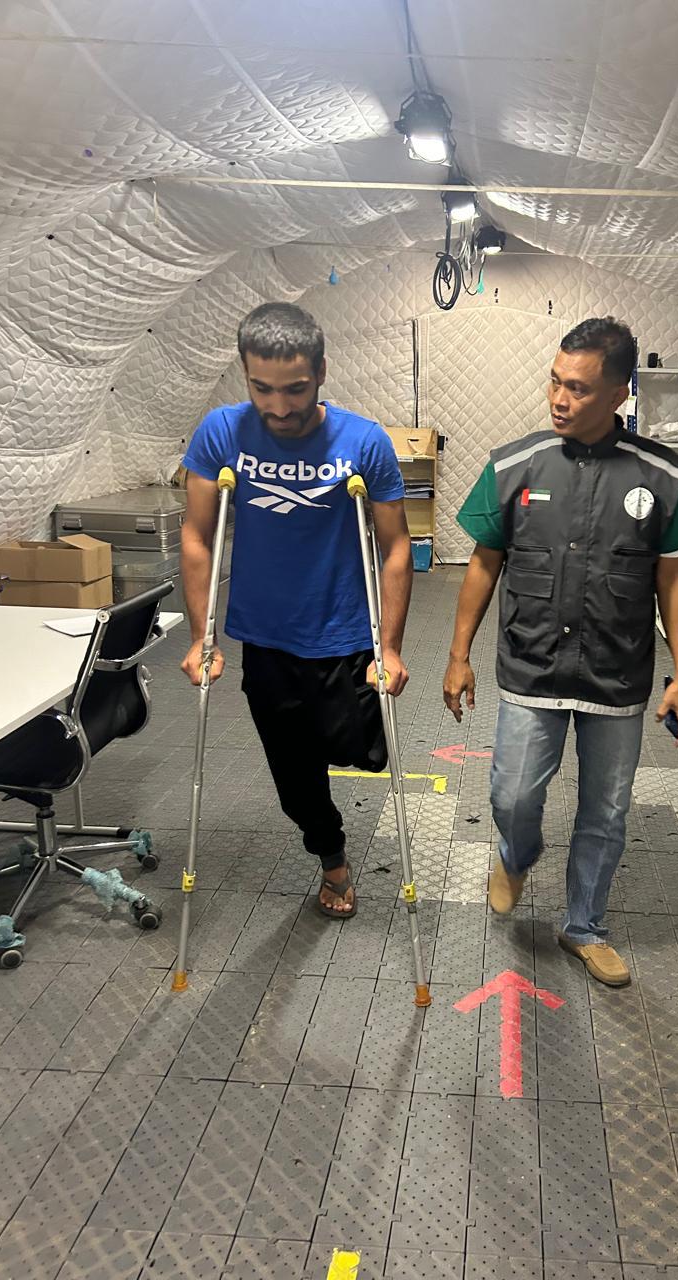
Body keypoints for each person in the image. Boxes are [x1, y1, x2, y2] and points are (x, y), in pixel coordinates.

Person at [443, 317, 678, 986]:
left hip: (617, 675)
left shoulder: (662, 476)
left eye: (580, 389)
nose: (560, 399)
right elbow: (483, 562)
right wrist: (458, 654)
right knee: (512, 795)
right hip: (531, 665)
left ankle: (585, 927)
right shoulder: (514, 466)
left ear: (619, 394)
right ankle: (516, 854)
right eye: (555, 382)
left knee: (606, 812)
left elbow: (673, 578)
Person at [180, 302, 412, 920]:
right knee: (294, 775)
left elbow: (396, 547)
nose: (279, 407)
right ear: (245, 375)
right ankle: (331, 856)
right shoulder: (221, 434)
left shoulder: (364, 441)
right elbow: (198, 536)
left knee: (356, 747)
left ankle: (336, 769)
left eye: (295, 389)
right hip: (267, 635)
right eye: (263, 389)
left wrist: (390, 648)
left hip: (345, 630)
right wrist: (202, 635)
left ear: (322, 373)